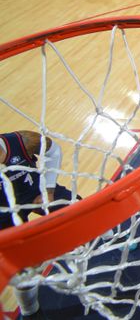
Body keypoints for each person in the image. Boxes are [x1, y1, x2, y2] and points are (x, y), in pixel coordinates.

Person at [1, 130, 74, 318]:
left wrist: (48, 188)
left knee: (83, 211)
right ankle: (30, 311)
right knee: (25, 270)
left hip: (35, 191)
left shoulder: (21, 142)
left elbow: (54, 150)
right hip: (5, 213)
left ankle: (113, 238)